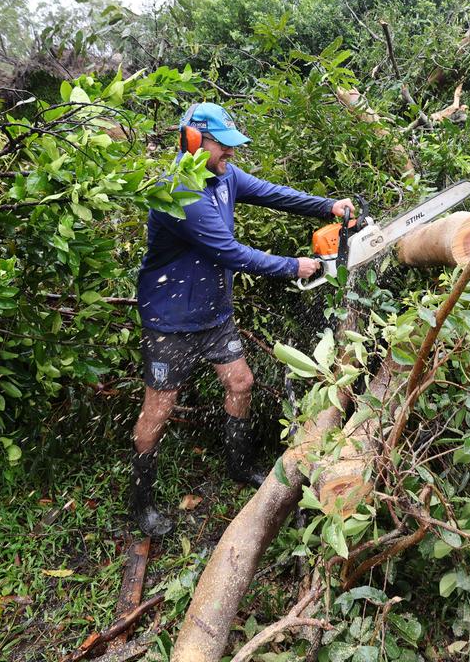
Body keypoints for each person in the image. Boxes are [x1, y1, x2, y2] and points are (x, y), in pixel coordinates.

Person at [131, 102, 353, 537]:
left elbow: (273, 193)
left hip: (214, 313)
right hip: (170, 320)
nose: (230, 154)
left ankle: (239, 464)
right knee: (159, 409)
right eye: (222, 146)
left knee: (241, 383)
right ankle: (142, 501)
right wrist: (294, 265)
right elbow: (229, 252)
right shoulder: (182, 191)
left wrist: (328, 207)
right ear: (194, 141)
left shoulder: (224, 175)